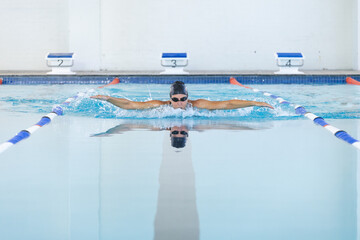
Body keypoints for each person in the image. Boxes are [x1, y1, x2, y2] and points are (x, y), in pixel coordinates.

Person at [90, 81, 273, 110]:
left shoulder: (197, 105)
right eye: (175, 100)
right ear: (170, 99)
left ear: (188, 97)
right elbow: (131, 105)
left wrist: (255, 103)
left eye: (182, 99)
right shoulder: (159, 106)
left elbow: (226, 104)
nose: (179, 104)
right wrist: (108, 98)